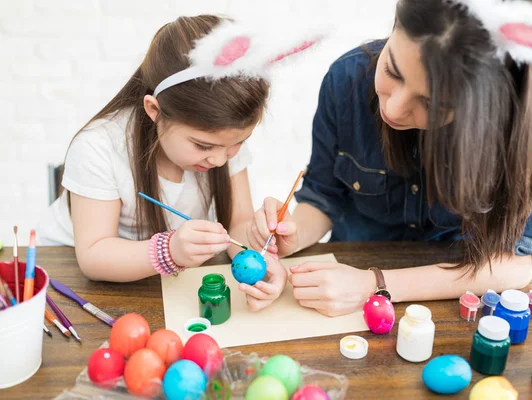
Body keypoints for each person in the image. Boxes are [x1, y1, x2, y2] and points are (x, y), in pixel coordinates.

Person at [247, 0, 532, 316]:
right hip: (340, 289)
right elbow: (323, 195)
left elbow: (518, 262)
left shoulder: (523, 123)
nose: (392, 108)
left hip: (453, 300)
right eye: (392, 69)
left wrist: (374, 284)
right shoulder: (346, 79)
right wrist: (294, 232)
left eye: (432, 105)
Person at [37, 15, 321, 311]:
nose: (220, 158)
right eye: (203, 145)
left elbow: (237, 224)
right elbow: (94, 256)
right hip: (63, 279)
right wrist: (170, 251)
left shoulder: (222, 144)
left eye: (239, 143)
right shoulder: (98, 146)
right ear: (154, 110)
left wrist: (259, 244)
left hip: (155, 283)